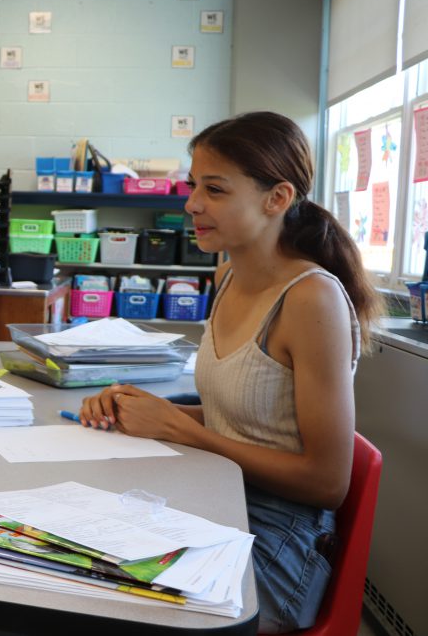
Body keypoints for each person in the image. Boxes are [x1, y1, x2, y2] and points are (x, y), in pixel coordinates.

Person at [79, 111, 382, 634]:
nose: (192, 203)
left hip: (277, 543)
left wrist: (183, 430)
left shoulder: (312, 298)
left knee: (76, 603)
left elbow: (328, 481)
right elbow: (244, 415)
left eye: (215, 189)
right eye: (193, 185)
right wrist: (139, 407)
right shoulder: (227, 275)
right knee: (48, 569)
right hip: (219, 501)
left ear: (277, 198)